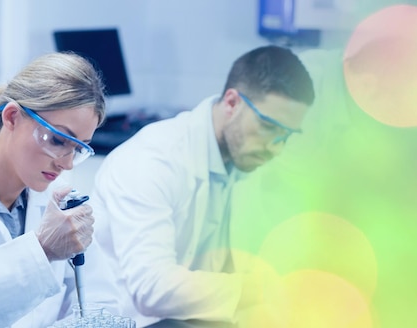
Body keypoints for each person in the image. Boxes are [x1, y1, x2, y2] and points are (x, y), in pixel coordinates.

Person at [89, 45, 314, 327]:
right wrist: (259, 289)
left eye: (287, 135)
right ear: (232, 103)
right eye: (269, 127)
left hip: (195, 318)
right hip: (138, 320)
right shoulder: (151, 161)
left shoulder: (245, 157)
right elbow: (152, 289)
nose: (277, 148)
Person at [0, 52, 118, 327]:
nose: (67, 164)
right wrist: (43, 250)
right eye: (57, 140)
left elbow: (100, 302)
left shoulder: (58, 198)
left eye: (79, 148)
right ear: (11, 117)